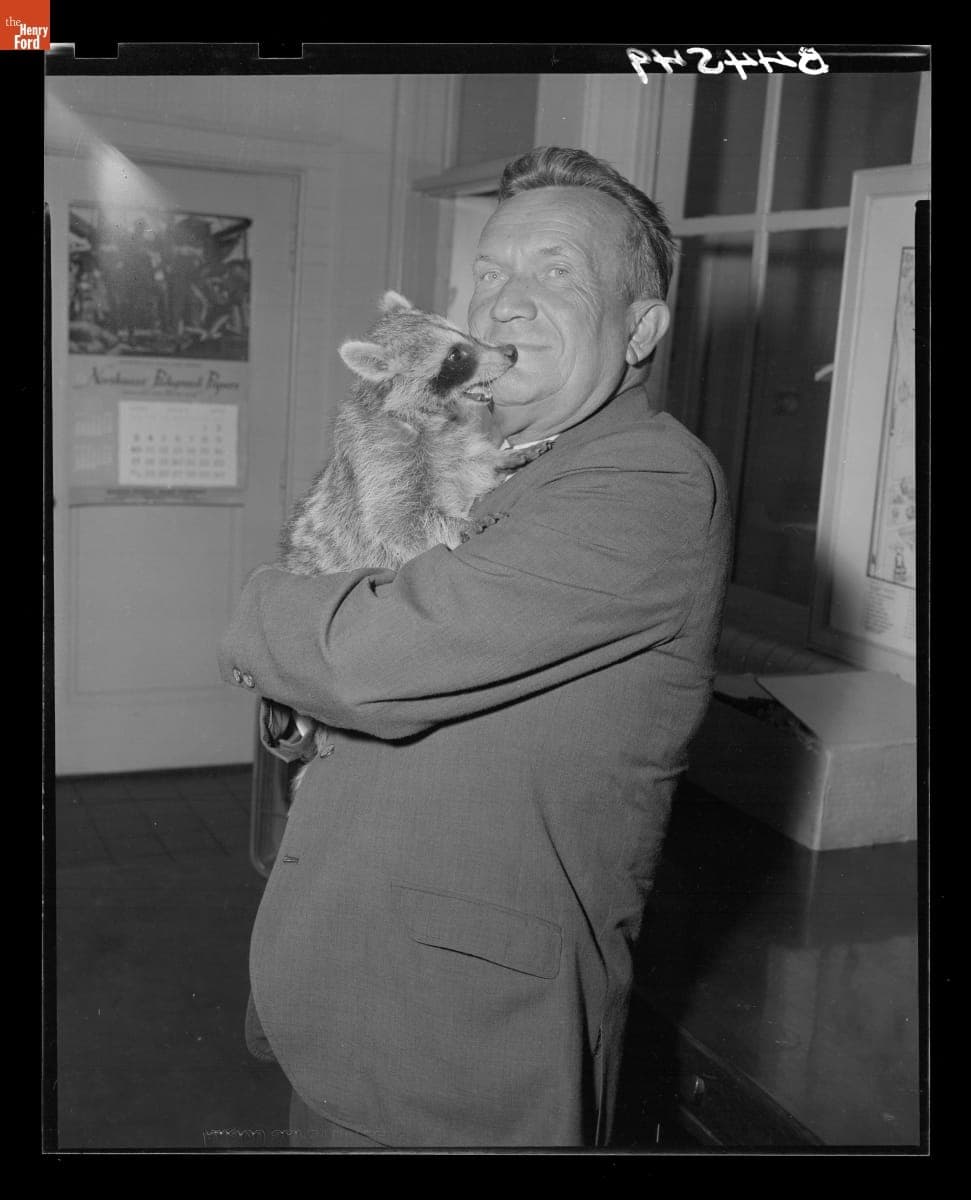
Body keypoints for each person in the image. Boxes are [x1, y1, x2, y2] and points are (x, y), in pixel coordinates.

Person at [218, 146, 733, 1149]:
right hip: (335, 981)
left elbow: (368, 661)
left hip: (457, 1049)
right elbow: (338, 678)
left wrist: (261, 608)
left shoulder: (645, 484)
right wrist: (295, 699)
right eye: (490, 270)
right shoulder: (477, 449)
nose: (503, 301)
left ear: (640, 329)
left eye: (555, 273)